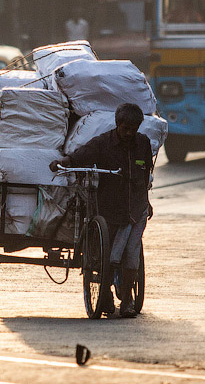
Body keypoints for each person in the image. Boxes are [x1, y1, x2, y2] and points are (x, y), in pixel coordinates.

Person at [50, 103, 153, 318]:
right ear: (118, 125)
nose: (129, 133)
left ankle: (126, 301)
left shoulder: (143, 143)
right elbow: (81, 156)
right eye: (126, 129)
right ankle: (105, 292)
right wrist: (64, 162)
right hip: (110, 208)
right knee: (110, 256)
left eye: (134, 129)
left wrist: (147, 201)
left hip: (136, 209)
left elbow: (145, 175)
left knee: (132, 255)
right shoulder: (103, 143)